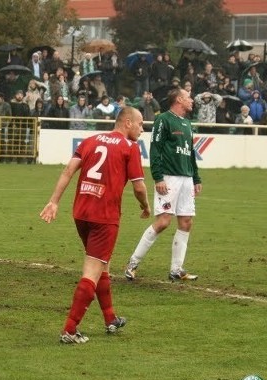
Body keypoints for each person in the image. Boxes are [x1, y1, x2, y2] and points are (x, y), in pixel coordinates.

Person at [39, 107, 150, 344]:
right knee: (92, 271)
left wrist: (54, 202)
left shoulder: (89, 140)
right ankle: (69, 329)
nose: (142, 129)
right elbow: (139, 187)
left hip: (81, 213)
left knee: (102, 264)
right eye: (140, 124)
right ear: (127, 122)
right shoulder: (129, 147)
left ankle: (110, 318)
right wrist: (146, 206)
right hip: (104, 216)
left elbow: (69, 170)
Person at [125, 88, 202, 282]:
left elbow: (191, 153)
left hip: (186, 178)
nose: (191, 100)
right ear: (178, 100)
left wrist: (196, 178)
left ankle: (176, 269)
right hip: (168, 177)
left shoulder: (187, 123)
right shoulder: (164, 120)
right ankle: (132, 263)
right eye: (188, 97)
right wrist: (158, 177)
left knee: (186, 222)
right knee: (163, 221)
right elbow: (156, 149)